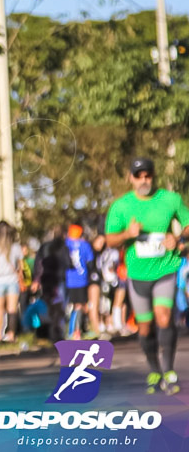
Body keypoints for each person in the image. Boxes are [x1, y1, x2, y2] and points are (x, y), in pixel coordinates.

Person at [105, 156, 189, 395]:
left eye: (148, 175)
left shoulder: (170, 199)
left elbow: (188, 223)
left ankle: (169, 370)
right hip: (137, 273)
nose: (144, 180)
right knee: (144, 327)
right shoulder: (121, 206)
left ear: (153, 176)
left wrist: (179, 238)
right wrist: (127, 234)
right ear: (131, 178)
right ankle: (154, 370)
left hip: (165, 268)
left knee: (163, 317)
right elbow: (109, 239)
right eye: (139, 176)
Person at [0, 221, 23, 343]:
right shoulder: (16, 248)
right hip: (12, 280)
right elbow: (20, 267)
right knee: (12, 309)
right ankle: (11, 334)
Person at [64, 224, 94, 339]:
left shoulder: (66, 244)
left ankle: (77, 329)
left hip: (68, 279)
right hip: (82, 279)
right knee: (80, 305)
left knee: (75, 305)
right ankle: (75, 331)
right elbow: (90, 262)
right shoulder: (85, 245)